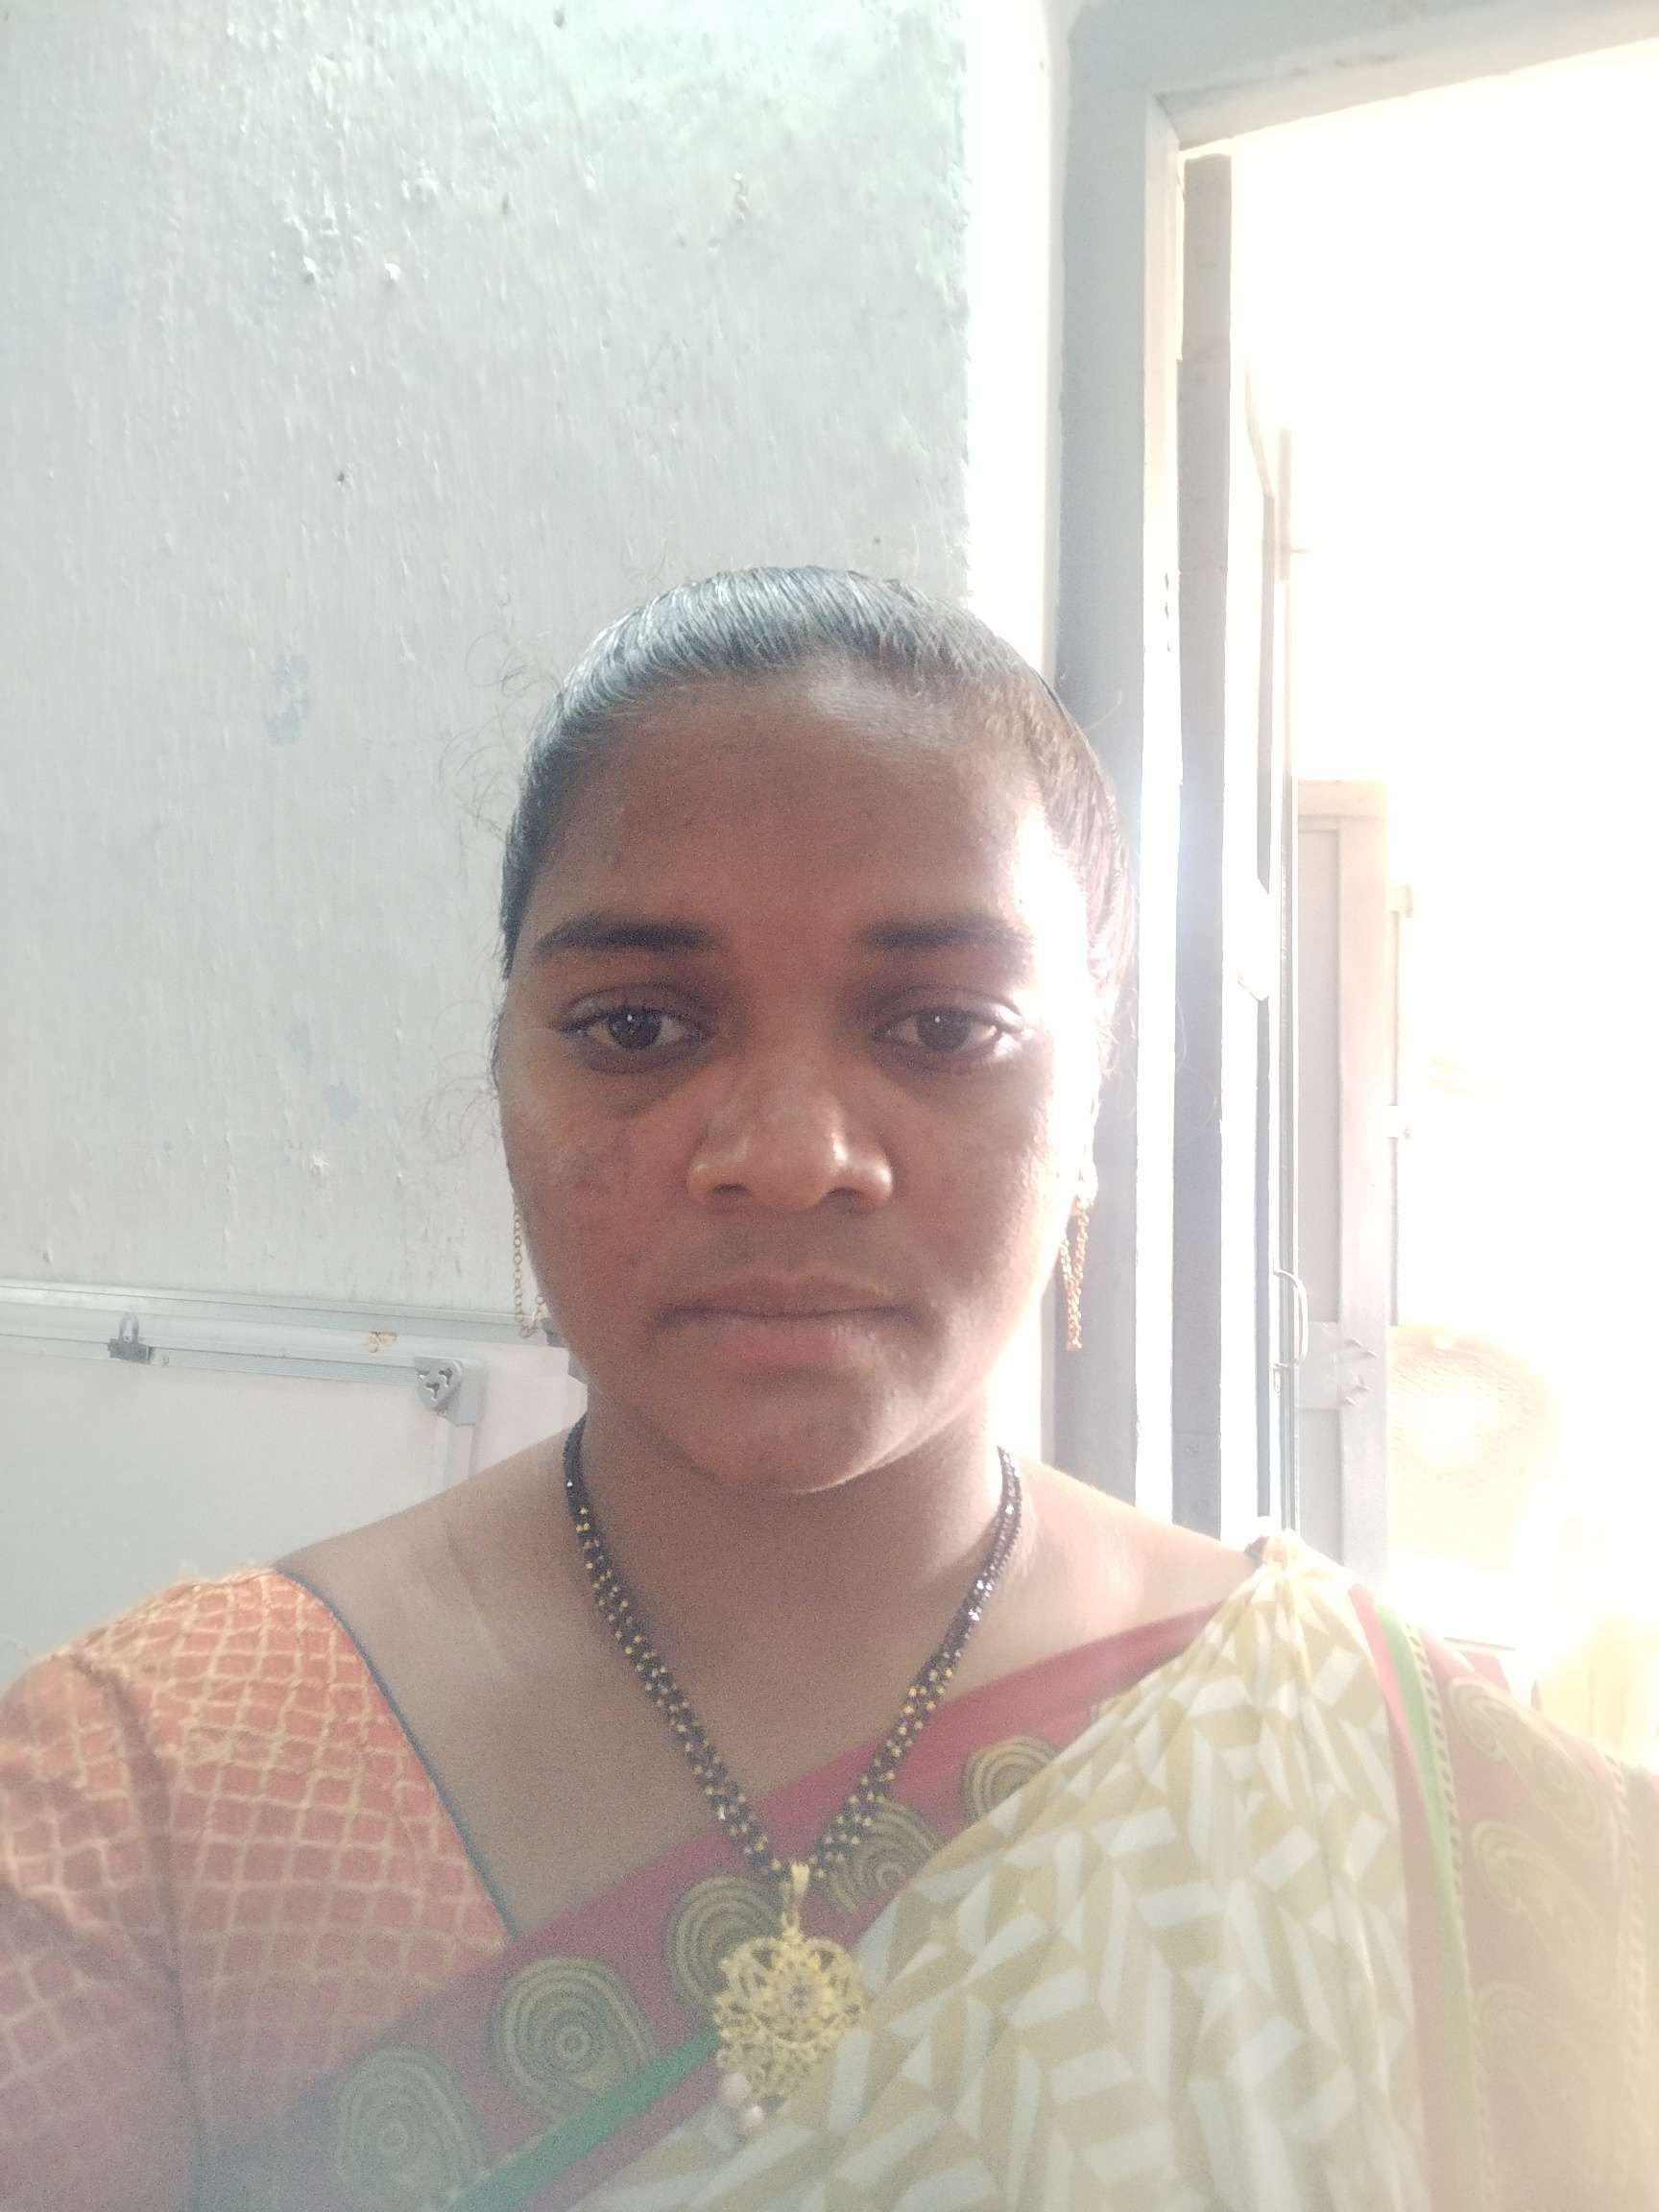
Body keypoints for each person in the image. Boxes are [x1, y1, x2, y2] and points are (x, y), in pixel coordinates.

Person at [2, 568, 1653, 2211]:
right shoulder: (154, 1794)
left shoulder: (1409, 1790)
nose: (792, 1157)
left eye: (941, 1026)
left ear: (1088, 1106)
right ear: (506, 1076)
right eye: (637, 1026)